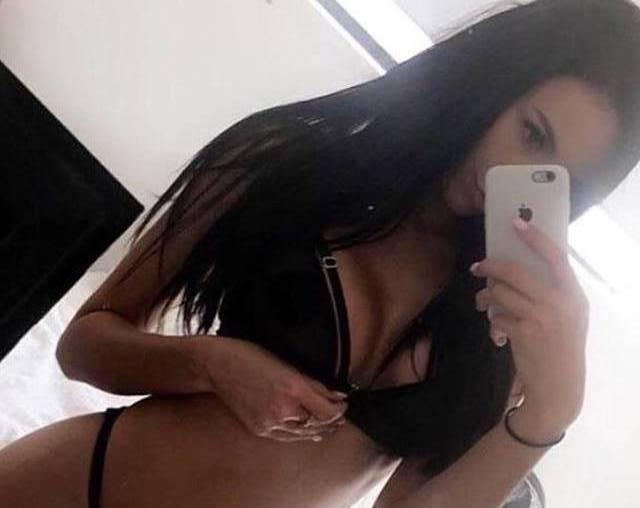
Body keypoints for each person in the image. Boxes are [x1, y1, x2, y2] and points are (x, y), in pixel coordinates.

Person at [2, 1, 640, 507]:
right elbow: (83, 345)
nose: (511, 176)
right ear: (492, 81)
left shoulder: (504, 323)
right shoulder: (281, 163)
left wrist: (550, 414)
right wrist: (211, 365)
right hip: (74, 487)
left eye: (556, 178)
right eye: (531, 131)